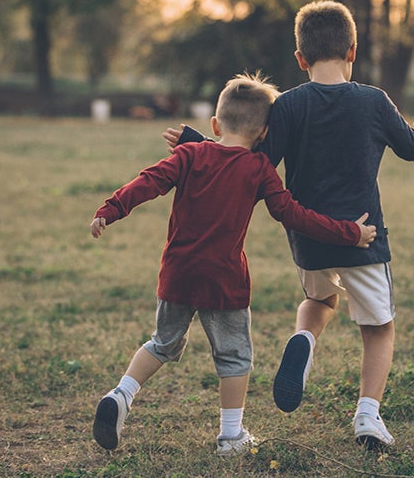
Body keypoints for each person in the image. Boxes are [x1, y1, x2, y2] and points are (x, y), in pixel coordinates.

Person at [166, 0, 414, 449]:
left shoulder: (289, 106)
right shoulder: (373, 101)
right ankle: (368, 416)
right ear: (352, 50)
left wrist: (200, 143)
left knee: (320, 298)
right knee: (378, 327)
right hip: (363, 237)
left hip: (308, 237)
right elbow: (413, 147)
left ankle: (304, 340)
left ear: (300, 58)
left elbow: (250, 162)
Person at [89, 72, 377, 456]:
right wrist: (349, 233)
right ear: (263, 135)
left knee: (162, 343)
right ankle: (231, 436)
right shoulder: (259, 169)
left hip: (177, 272)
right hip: (224, 281)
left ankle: (122, 393)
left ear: (214, 124)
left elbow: (149, 181)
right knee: (234, 356)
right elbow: (294, 215)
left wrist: (110, 209)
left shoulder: (189, 155)